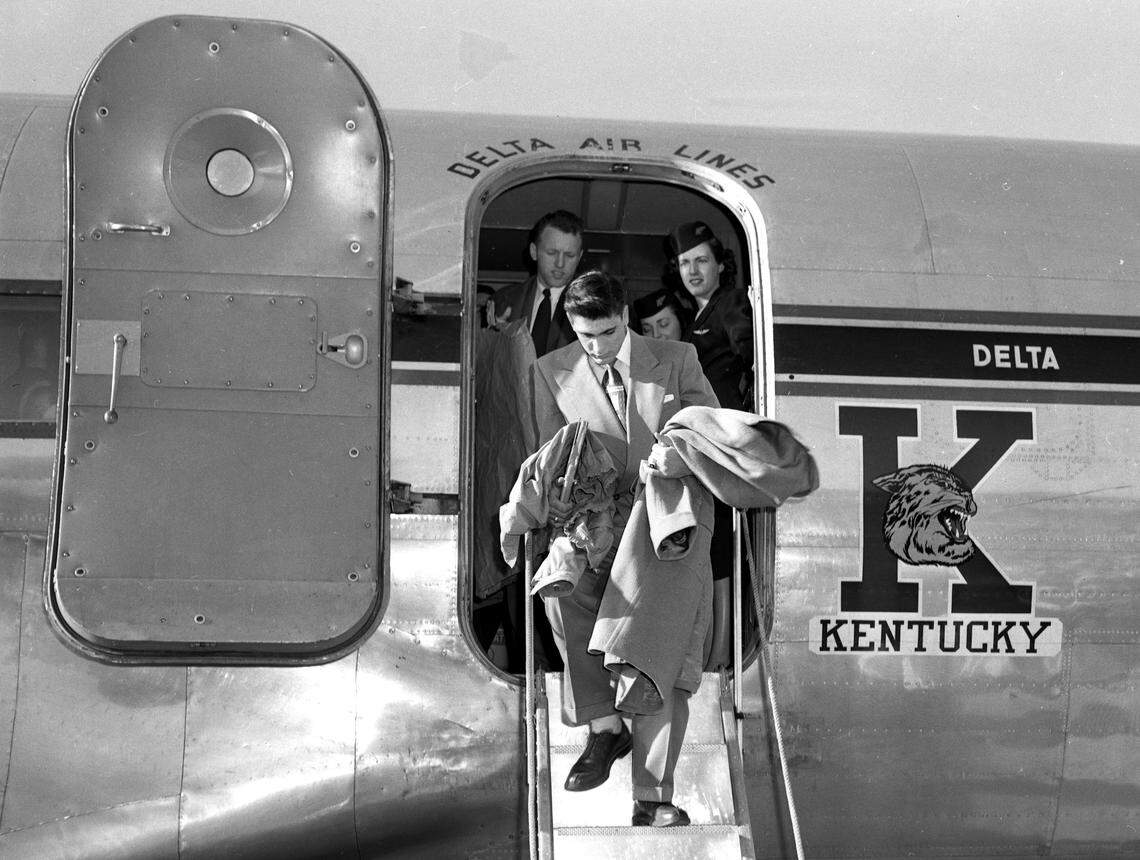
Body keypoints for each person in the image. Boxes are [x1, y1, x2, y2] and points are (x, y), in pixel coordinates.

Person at [531, 270, 718, 827]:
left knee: (658, 656)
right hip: (595, 525)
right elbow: (547, 456)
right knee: (560, 596)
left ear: (625, 316)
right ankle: (604, 727)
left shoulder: (678, 359)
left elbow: (711, 434)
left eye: (607, 333)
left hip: (665, 530)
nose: (596, 348)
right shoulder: (551, 369)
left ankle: (653, 798)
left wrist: (677, 456)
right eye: (584, 335)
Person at [667, 221, 755, 668]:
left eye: (702, 260)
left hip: (722, 444)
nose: (693, 270)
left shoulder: (731, 304)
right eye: (685, 262)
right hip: (704, 445)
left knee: (721, 550)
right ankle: (713, 648)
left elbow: (752, 356)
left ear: (721, 265)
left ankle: (721, 651)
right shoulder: (697, 318)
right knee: (712, 546)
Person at [488, 209, 584, 357]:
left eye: (569, 255)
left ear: (579, 257)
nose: (560, 263)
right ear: (534, 251)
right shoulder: (502, 301)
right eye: (552, 253)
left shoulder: (596, 307)